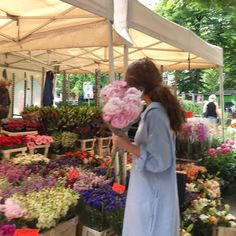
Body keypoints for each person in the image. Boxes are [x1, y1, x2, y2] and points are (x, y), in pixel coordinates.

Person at [112, 58, 185, 236]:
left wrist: (126, 145)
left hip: (152, 193)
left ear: (138, 86)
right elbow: (154, 149)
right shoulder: (154, 110)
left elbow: (160, 160)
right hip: (150, 189)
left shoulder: (156, 113)